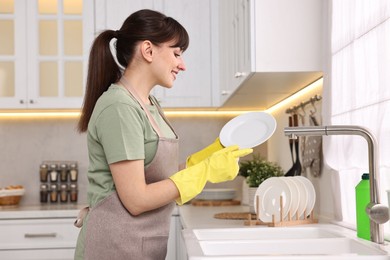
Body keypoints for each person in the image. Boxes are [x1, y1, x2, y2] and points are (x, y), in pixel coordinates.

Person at [74, 9, 252, 260]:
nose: (183, 65)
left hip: (138, 244)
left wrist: (208, 156)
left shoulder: (149, 104)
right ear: (148, 50)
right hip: (113, 248)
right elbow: (136, 199)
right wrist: (205, 172)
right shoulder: (120, 107)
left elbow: (156, 176)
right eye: (176, 53)